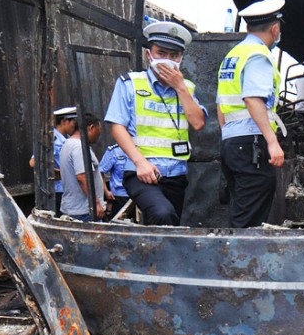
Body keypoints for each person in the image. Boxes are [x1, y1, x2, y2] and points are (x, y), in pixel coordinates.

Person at [105, 20, 206, 226]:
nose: (168, 60)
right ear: (148, 54)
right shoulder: (130, 83)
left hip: (176, 175)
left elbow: (198, 123)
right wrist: (140, 163)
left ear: (181, 58)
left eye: (174, 56)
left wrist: (180, 88)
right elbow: (117, 126)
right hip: (141, 173)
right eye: (161, 53)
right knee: (163, 214)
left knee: (169, 227)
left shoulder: (187, 88)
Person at [217, 0, 286, 228]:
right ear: (275, 28)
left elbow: (220, 106)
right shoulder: (258, 55)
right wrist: (272, 141)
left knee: (244, 208)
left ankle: (239, 260)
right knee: (249, 219)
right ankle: (237, 262)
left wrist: (228, 135)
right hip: (251, 144)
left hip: (232, 143)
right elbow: (253, 98)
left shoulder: (233, 55)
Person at [29, 106, 77, 215]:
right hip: (57, 190)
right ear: (64, 121)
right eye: (73, 122)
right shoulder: (52, 139)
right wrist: (57, 173)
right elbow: (34, 163)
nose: (75, 125)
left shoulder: (67, 139)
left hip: (67, 189)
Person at [59, 112, 107, 222]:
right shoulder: (79, 147)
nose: (98, 137)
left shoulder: (68, 144)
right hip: (83, 211)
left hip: (74, 208)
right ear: (91, 128)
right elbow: (82, 177)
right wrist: (96, 204)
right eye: (98, 133)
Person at [99, 142, 130, 220]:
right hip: (119, 196)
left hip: (138, 195)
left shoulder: (141, 149)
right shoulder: (114, 151)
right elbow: (100, 172)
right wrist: (106, 191)